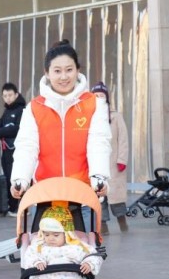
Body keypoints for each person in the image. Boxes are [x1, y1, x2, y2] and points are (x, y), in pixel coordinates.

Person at [11, 40, 112, 223]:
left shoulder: (94, 104)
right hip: (45, 197)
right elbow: (27, 147)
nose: (64, 76)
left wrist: (99, 177)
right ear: (47, 73)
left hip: (82, 197)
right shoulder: (34, 107)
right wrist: (20, 179)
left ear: (78, 70)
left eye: (69, 69)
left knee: (84, 249)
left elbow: (99, 143)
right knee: (43, 250)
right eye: (57, 71)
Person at [91, 82, 130, 234]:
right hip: (97, 164)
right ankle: (103, 227)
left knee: (116, 198)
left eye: (101, 95)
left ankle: (123, 224)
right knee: (100, 197)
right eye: (96, 96)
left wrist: (122, 160)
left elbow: (123, 139)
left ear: (106, 97)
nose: (99, 98)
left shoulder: (116, 116)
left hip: (113, 163)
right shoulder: (89, 116)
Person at [0, 82, 26, 216]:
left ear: (16, 94)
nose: (8, 98)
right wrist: (3, 131)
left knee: (17, 177)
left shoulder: (22, 109)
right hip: (6, 150)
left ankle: (17, 207)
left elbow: (17, 129)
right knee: (8, 177)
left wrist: (2, 131)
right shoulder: (7, 110)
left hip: (16, 150)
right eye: (5, 96)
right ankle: (12, 206)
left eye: (10, 95)